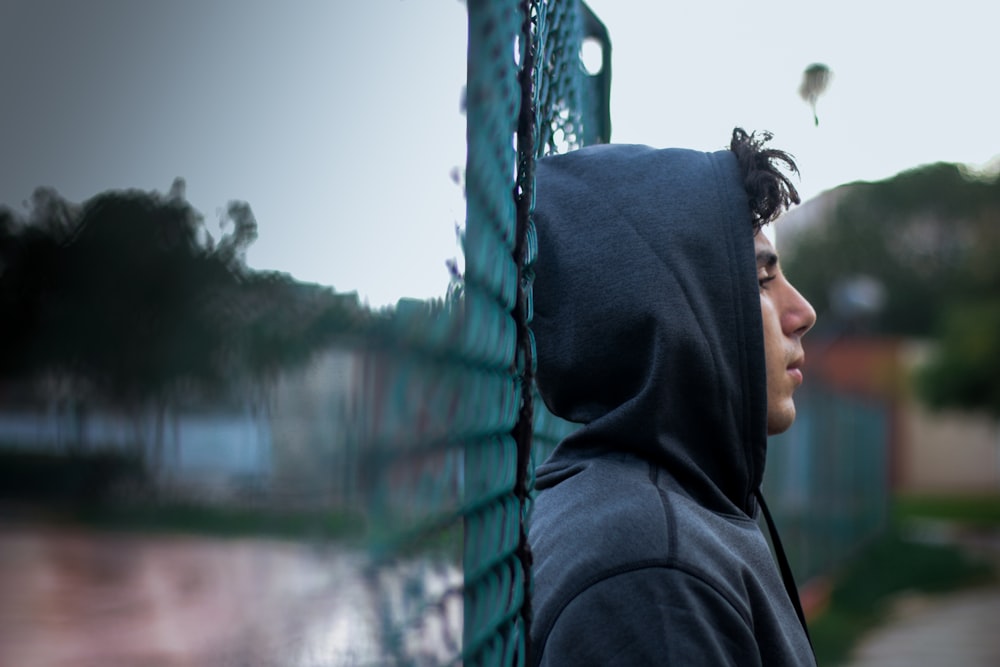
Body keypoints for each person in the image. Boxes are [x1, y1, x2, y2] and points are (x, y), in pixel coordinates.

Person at [527, 128, 818, 666]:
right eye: (759, 280)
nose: (802, 313)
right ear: (669, 306)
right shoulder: (654, 574)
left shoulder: (670, 515)